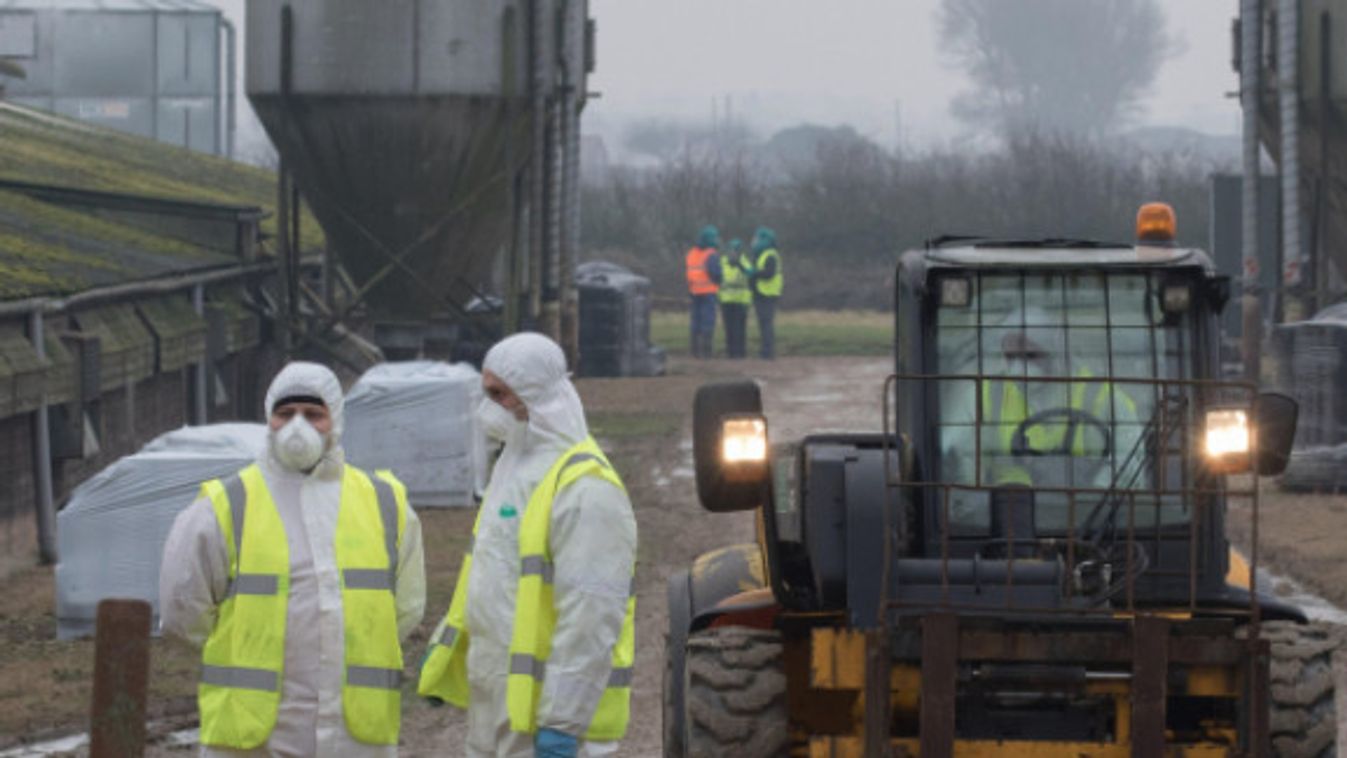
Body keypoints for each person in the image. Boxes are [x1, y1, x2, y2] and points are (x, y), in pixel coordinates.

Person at [159, 361, 425, 756]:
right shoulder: (224, 506)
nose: (297, 426)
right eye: (285, 414)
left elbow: (405, 609)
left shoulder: (385, 503)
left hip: (355, 736)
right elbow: (183, 612)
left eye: (313, 414)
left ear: (336, 419)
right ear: (269, 419)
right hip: (253, 737)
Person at [419, 333, 638, 758]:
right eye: (487, 393)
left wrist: (563, 723)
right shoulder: (512, 469)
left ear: (532, 395)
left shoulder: (585, 487)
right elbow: (488, 578)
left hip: (549, 729)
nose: (489, 407)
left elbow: (590, 617)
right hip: (496, 715)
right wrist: (446, 653)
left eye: (499, 394)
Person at [685, 225, 723, 359]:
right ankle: (707, 353)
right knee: (708, 321)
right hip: (708, 292)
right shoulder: (711, 254)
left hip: (694, 291)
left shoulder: (691, 253)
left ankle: (695, 351)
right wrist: (719, 281)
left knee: (695, 321)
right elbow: (716, 273)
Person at [717, 238, 754, 359]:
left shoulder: (744, 261)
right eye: (731, 250)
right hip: (726, 299)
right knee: (729, 328)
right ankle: (731, 352)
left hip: (741, 300)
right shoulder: (722, 261)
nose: (733, 252)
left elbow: (750, 273)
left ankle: (740, 352)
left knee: (740, 328)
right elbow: (717, 276)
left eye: (736, 250)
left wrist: (740, 265)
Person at [750, 226, 783, 360]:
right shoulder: (761, 254)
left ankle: (768, 352)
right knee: (763, 323)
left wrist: (754, 273)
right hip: (761, 292)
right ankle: (765, 350)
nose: (754, 241)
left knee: (766, 323)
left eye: (757, 238)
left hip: (768, 293)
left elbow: (769, 273)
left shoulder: (770, 254)